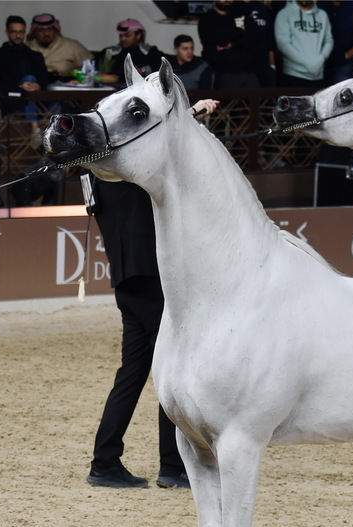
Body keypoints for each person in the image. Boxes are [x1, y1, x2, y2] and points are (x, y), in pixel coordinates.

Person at [87, 99, 220, 490]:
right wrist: (190, 115)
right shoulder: (131, 171)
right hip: (151, 279)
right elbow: (160, 148)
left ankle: (106, 459)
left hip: (126, 281)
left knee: (132, 374)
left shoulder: (99, 173)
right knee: (170, 369)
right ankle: (172, 465)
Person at [0, 15, 51, 117]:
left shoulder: (34, 56)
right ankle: (34, 127)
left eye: (21, 32)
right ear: (7, 33)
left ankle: (34, 127)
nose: (18, 36)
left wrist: (38, 86)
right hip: (11, 98)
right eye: (14, 32)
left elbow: (44, 78)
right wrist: (20, 87)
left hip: (36, 98)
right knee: (28, 82)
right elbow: (1, 80)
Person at [198, 0, 259, 89]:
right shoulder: (207, 18)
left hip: (247, 68)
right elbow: (212, 39)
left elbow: (252, 38)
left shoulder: (240, 16)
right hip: (223, 70)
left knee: (254, 97)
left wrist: (231, 44)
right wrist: (238, 35)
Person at [274, 0, 333, 89]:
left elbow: (329, 40)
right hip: (293, 75)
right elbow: (283, 44)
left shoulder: (322, 15)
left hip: (318, 75)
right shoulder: (284, 14)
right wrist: (308, 64)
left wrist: (321, 58)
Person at [26, 12, 94, 82]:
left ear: (55, 30)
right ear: (34, 32)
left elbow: (90, 67)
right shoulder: (27, 47)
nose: (46, 34)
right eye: (41, 30)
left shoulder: (72, 45)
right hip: (36, 87)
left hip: (66, 86)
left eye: (49, 29)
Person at [98, 19, 166, 85]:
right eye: (121, 36)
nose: (122, 39)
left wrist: (143, 70)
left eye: (127, 36)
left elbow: (164, 66)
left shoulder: (150, 52)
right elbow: (95, 72)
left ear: (138, 36)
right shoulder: (109, 52)